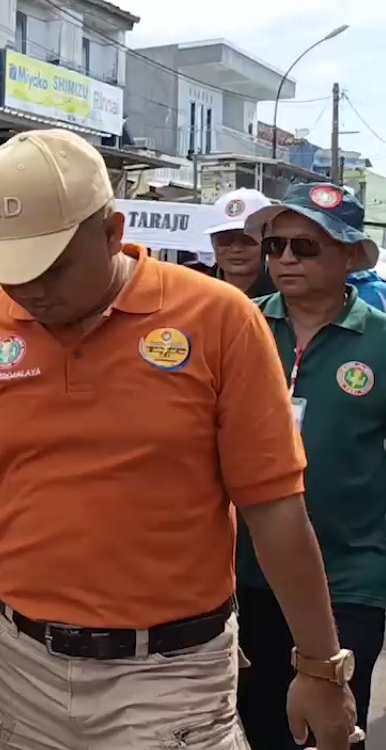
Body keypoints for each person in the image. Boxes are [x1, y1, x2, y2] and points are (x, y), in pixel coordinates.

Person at [0, 129, 357, 750]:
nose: (29, 290)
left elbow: (274, 507)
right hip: (19, 666)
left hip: (172, 674)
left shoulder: (217, 320)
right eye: (11, 270)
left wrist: (320, 666)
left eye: (51, 267)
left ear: (111, 232)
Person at [235, 182, 386, 750]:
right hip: (244, 571)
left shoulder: (381, 342)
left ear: (350, 256)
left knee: (328, 728)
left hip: (349, 575)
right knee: (260, 722)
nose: (286, 259)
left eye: (307, 247)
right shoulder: (237, 325)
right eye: (276, 247)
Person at [206, 188, 278, 298]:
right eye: (226, 239)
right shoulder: (193, 291)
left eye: (248, 239)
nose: (236, 249)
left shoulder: (286, 294)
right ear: (213, 242)